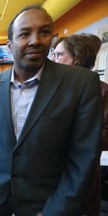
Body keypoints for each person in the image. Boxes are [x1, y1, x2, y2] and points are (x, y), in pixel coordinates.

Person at [0, 4, 103, 216]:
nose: (35, 40)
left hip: (44, 200)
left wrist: (56, 210)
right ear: (10, 45)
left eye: (44, 32)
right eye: (24, 33)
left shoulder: (81, 83)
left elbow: (83, 159)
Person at [51, 33, 108, 216]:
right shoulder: (50, 89)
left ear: (77, 59)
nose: (53, 59)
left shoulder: (103, 92)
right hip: (48, 174)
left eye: (59, 55)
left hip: (80, 177)